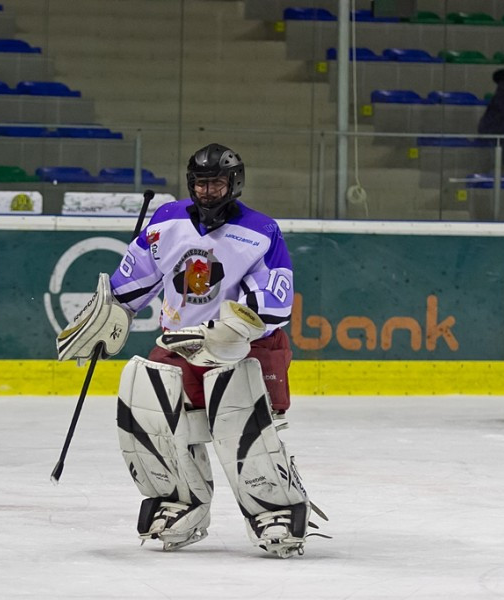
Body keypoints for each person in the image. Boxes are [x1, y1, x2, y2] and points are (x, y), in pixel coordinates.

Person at [56, 143, 327, 558]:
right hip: (181, 342)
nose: (207, 191)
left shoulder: (261, 231)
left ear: (234, 183)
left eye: (216, 182)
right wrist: (107, 315)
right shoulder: (166, 221)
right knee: (147, 410)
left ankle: (276, 508)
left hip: (243, 346)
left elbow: (274, 302)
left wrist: (232, 328)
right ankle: (179, 501)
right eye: (201, 183)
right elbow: (133, 282)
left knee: (242, 425)